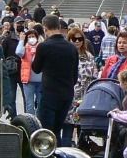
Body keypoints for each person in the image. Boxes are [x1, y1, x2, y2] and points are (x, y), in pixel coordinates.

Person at [31, 15, 78, 144]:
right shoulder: (72, 47)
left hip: (49, 94)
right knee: (57, 130)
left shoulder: (44, 46)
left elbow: (36, 69)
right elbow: (75, 76)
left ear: (45, 28)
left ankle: (49, 155)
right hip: (66, 94)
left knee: (45, 132)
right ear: (59, 26)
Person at [65, 27, 98, 147]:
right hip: (69, 95)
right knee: (67, 129)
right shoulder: (65, 55)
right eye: (74, 39)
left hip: (85, 97)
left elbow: (94, 76)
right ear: (69, 40)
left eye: (80, 39)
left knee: (83, 131)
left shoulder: (89, 56)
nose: (77, 41)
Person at [16, 28, 42, 115]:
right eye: (29, 37)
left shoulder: (41, 47)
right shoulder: (25, 48)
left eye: (33, 36)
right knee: (29, 104)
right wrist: (21, 41)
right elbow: (18, 52)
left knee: (41, 103)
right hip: (28, 80)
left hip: (40, 80)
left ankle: (39, 119)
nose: (31, 38)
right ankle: (31, 120)